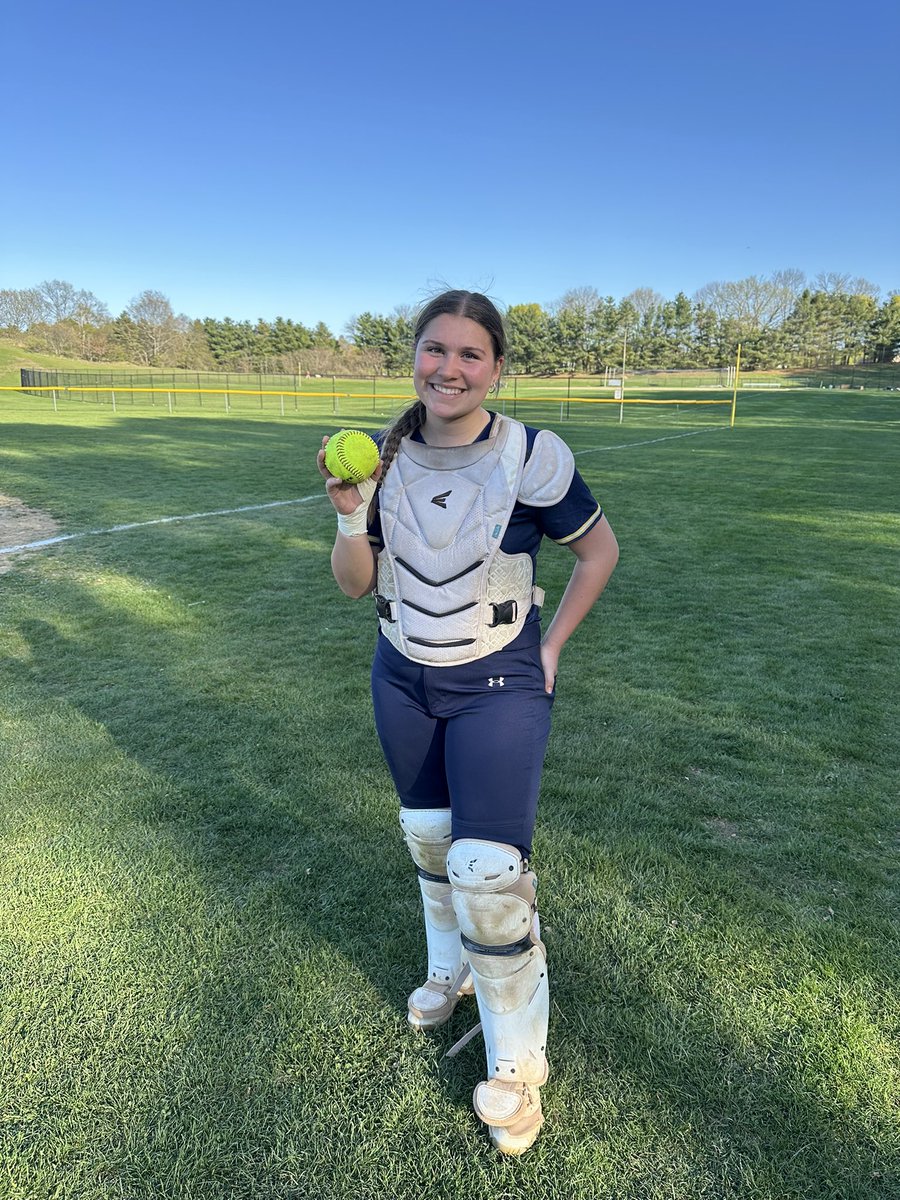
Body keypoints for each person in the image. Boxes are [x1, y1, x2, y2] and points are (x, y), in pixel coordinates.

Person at [317, 289, 618, 1154]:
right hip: (400, 674)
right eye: (434, 349)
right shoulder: (378, 458)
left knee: (487, 874)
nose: (448, 368)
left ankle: (518, 1067)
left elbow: (598, 550)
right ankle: (445, 972)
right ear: (414, 355)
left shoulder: (533, 455)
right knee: (428, 838)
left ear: (495, 366)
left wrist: (552, 645)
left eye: (470, 354)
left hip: (499, 680)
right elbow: (352, 583)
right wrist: (348, 513)